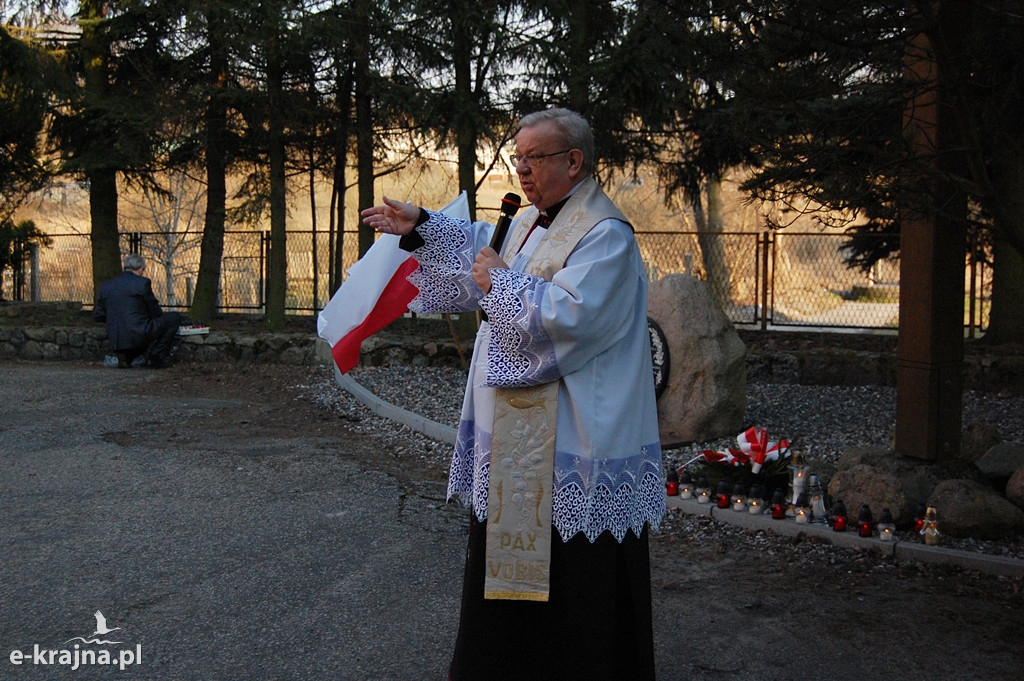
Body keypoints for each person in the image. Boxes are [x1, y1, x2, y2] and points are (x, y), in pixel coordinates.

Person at [361, 108, 664, 681]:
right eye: (517, 157)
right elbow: (484, 244)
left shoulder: (606, 236)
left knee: (576, 588)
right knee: (510, 583)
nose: (521, 169)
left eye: (534, 158)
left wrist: (500, 281)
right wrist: (421, 223)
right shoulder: (534, 219)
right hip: (522, 447)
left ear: (573, 162)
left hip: (576, 441)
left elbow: (568, 317)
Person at [93, 253, 181, 369]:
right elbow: (156, 312)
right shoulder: (142, 283)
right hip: (139, 334)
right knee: (174, 318)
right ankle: (155, 356)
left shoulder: (106, 286)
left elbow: (99, 315)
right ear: (141, 269)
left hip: (116, 339)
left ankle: (128, 357)